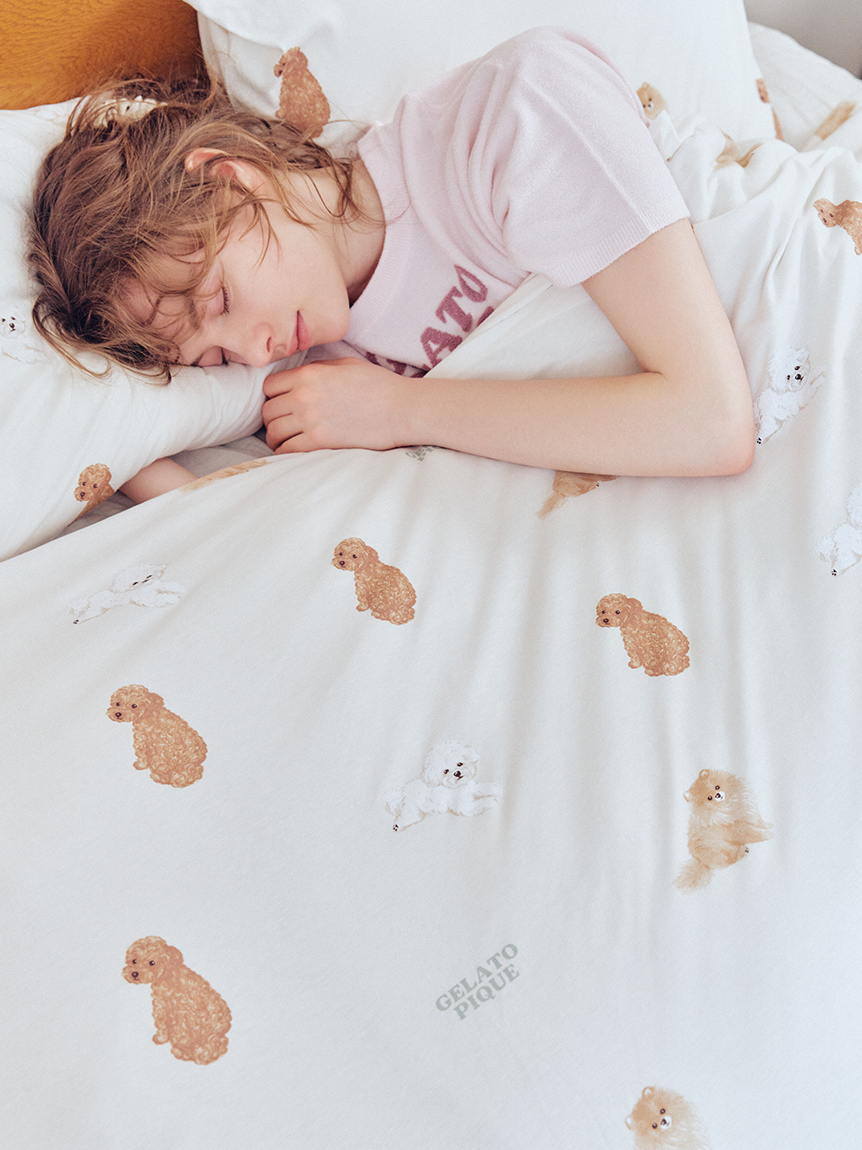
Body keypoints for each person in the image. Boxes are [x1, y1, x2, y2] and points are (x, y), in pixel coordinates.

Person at [29, 28, 755, 503]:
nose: (252, 350)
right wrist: (114, 446)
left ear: (229, 179)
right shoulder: (325, 371)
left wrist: (403, 410)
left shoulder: (511, 113)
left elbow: (712, 420)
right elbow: (230, 521)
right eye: (213, 358)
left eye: (219, 299)